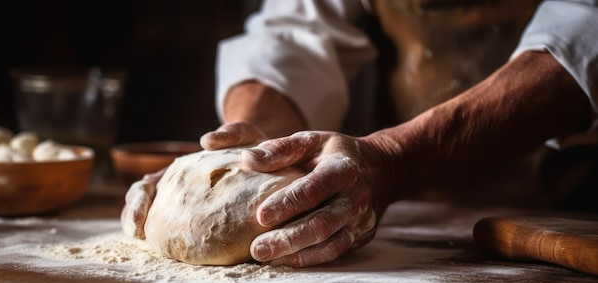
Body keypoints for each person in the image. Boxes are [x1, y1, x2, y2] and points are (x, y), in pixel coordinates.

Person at [124, 0, 598, 268]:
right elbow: (297, 27)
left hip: (574, 215)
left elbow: (586, 34)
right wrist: (255, 141)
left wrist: (395, 157)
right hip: (421, 227)